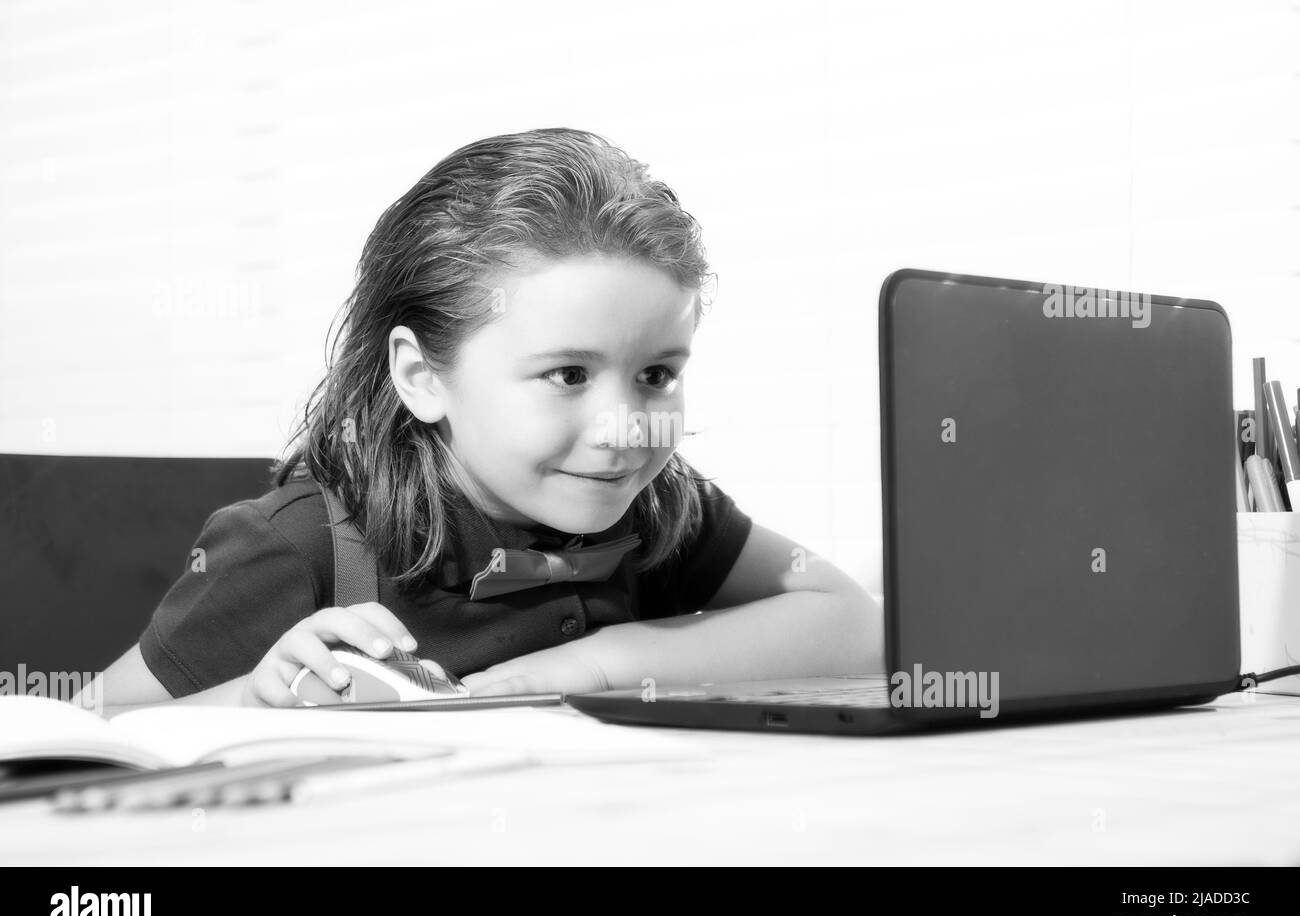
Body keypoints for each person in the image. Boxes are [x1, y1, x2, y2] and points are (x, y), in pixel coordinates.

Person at [85, 128, 881, 710]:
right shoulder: (296, 544)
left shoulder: (659, 508)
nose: (625, 428)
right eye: (568, 374)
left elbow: (850, 620)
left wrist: (613, 660)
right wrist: (253, 702)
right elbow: (87, 727)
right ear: (422, 376)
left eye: (656, 375)